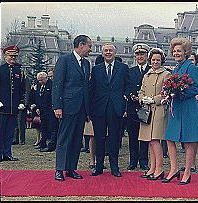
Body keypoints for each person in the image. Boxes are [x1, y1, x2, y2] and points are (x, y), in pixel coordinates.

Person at [162, 38, 198, 185]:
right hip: (176, 109)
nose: (176, 53)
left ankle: (187, 172)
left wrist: (179, 92)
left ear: (185, 52)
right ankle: (174, 169)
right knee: (169, 138)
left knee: (188, 141)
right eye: (174, 51)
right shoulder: (176, 68)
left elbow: (196, 89)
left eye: (179, 51)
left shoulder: (191, 67)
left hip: (188, 108)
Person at [52, 35, 92, 181]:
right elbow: (57, 84)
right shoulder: (65, 60)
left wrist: (88, 110)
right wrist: (57, 106)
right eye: (89, 46)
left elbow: (86, 87)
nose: (90, 49)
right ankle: (59, 169)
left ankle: (71, 169)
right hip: (67, 106)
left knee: (76, 139)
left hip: (81, 108)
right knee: (64, 138)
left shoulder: (87, 64)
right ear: (81, 45)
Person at [89, 43, 131, 178]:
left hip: (116, 108)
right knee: (99, 138)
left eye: (110, 51)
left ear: (115, 53)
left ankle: (114, 167)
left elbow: (128, 86)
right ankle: (98, 166)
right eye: (105, 51)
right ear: (102, 53)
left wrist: (123, 101)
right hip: (99, 109)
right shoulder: (96, 69)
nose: (108, 53)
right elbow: (92, 89)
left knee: (114, 139)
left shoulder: (123, 68)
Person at [137, 48, 170, 180]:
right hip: (147, 111)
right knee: (150, 141)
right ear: (150, 60)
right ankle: (152, 167)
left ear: (162, 60)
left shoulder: (166, 74)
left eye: (158, 59)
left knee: (155, 140)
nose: (155, 62)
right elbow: (141, 90)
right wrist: (142, 98)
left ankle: (159, 169)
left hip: (159, 110)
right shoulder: (147, 75)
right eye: (153, 59)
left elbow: (166, 92)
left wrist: (154, 99)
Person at [125, 43, 151, 171]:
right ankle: (133, 160)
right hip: (133, 107)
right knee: (133, 135)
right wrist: (131, 96)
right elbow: (126, 87)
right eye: (138, 54)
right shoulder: (130, 71)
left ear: (147, 55)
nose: (140, 56)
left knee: (145, 136)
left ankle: (144, 161)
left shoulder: (151, 70)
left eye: (142, 54)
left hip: (147, 107)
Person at [0, 45, 26, 161]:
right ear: (5, 56)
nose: (13, 58)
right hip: (2, 106)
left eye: (15, 56)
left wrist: (21, 102)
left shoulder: (19, 71)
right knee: (1, 131)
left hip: (13, 107)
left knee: (11, 132)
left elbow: (22, 89)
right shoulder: (1, 69)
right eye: (11, 56)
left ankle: (7, 153)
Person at [40, 68, 59, 152]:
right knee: (50, 128)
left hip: (53, 109)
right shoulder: (47, 85)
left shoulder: (55, 85)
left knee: (54, 128)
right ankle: (47, 144)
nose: (50, 78)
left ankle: (52, 145)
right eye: (49, 76)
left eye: (51, 76)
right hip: (46, 110)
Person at [34, 72, 53, 151]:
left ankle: (51, 144)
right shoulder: (39, 86)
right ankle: (42, 143)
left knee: (51, 127)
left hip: (50, 110)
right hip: (42, 110)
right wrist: (37, 107)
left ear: (46, 78)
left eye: (41, 80)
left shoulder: (51, 85)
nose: (40, 82)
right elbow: (37, 97)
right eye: (39, 80)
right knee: (43, 127)